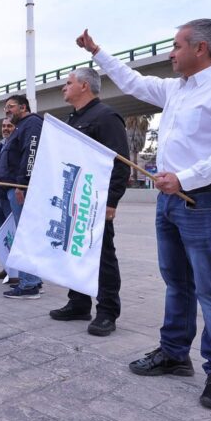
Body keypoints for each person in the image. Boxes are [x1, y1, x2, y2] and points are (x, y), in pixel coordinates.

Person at [76, 20, 211, 410]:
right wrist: (97, 52)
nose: (170, 53)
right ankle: (175, 353)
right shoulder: (176, 90)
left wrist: (185, 178)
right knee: (177, 282)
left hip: (206, 200)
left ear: (201, 48)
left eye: (176, 46)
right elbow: (134, 82)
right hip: (171, 201)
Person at [48, 67, 130, 336]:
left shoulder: (106, 117)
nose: (64, 87)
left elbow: (121, 165)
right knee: (75, 250)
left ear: (84, 85)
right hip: (74, 198)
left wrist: (112, 201)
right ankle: (79, 303)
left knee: (103, 256)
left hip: (95, 201)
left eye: (68, 83)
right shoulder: (73, 119)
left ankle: (107, 312)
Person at [1, 95, 44, 298]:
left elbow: (31, 153)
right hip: (15, 188)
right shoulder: (21, 127)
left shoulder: (32, 123)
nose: (6, 110)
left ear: (23, 107)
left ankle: (29, 285)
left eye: (10, 107)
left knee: (25, 236)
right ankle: (33, 279)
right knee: (24, 234)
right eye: (5, 108)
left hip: (22, 189)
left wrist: (22, 184)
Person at [0, 118, 16, 281]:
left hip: (9, 194)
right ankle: (7, 267)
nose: (5, 128)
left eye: (9, 126)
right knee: (2, 235)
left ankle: (17, 273)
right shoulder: (1, 145)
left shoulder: (15, 144)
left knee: (12, 234)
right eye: (3, 126)